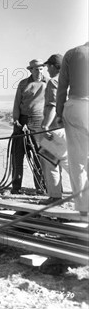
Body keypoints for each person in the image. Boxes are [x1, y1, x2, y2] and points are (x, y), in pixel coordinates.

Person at [56, 42, 89, 218]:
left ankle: (84, 207)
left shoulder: (72, 53)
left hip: (77, 106)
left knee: (78, 161)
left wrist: (59, 113)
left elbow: (62, 87)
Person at [11, 59, 47, 195]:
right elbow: (16, 104)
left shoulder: (48, 83)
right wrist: (16, 120)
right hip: (22, 120)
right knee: (18, 156)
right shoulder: (23, 84)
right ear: (30, 70)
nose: (39, 71)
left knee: (39, 156)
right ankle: (16, 187)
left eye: (41, 69)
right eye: (36, 69)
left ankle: (40, 187)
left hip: (40, 122)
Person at [37, 54, 69, 205]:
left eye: (48, 66)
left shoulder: (54, 82)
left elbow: (52, 105)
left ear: (54, 67)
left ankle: (55, 197)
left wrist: (45, 126)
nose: (47, 69)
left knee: (50, 160)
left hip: (56, 130)